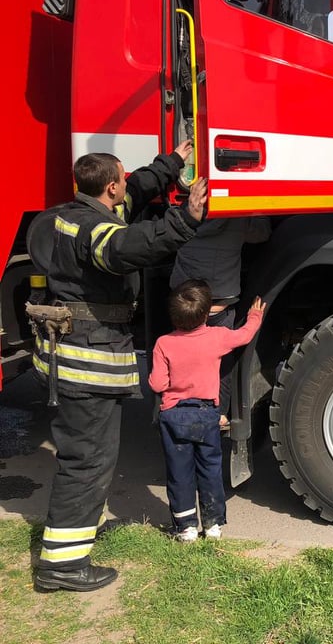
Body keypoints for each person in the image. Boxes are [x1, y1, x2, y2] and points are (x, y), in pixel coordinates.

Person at [28, 141, 206, 592]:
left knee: (89, 457)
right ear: (110, 186)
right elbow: (126, 248)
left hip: (68, 354)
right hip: (85, 362)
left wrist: (172, 163)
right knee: (87, 460)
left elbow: (138, 190)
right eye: (122, 181)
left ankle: (77, 536)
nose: (127, 187)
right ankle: (61, 567)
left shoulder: (70, 213)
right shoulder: (95, 231)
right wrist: (183, 219)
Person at [148, 281, 266, 542]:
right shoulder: (217, 336)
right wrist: (255, 314)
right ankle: (213, 525)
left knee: (180, 473)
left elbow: (157, 384)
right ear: (206, 315)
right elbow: (244, 335)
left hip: (174, 415)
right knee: (210, 469)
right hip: (206, 415)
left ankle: (186, 527)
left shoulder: (163, 343)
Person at [168, 217, 271, 427]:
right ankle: (220, 413)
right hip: (221, 304)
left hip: (185, 302)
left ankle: (182, 404)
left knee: (184, 358)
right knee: (222, 364)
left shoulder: (180, 218)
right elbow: (262, 234)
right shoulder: (237, 221)